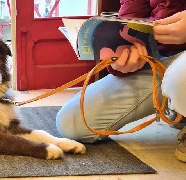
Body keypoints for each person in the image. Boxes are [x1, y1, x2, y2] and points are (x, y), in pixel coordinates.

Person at [56, 0, 186, 163]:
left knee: (180, 80)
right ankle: (178, 102)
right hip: (159, 61)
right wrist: (121, 59)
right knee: (72, 122)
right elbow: (131, 16)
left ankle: (180, 100)